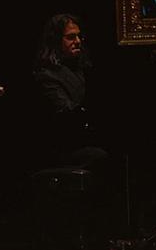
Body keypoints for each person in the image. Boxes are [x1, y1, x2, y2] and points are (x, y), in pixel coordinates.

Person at [31, 14, 107, 170]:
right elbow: (66, 114)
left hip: (87, 136)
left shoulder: (83, 67)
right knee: (100, 155)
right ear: (55, 41)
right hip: (63, 147)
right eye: (71, 37)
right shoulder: (46, 75)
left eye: (79, 36)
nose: (78, 41)